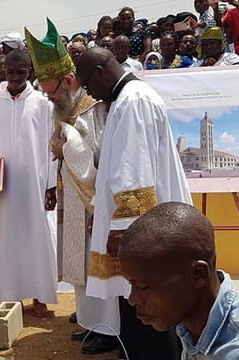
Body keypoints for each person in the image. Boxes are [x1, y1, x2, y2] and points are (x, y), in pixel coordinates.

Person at [76, 46, 192, 360]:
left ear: (100, 73)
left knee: (147, 306)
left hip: (138, 228)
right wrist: (102, 211)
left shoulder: (133, 101)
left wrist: (126, 231)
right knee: (135, 306)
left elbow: (133, 170)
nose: (90, 93)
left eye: (88, 84)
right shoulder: (128, 98)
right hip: (135, 224)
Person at [25, 21, 120, 354]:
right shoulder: (63, 103)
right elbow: (59, 144)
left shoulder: (95, 106)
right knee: (77, 261)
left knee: (98, 261)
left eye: (51, 91)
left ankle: (109, 329)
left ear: (67, 81)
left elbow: (101, 156)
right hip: (72, 193)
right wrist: (55, 180)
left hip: (94, 198)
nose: (49, 98)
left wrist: (65, 145)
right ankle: (90, 320)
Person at [0, 46, 57, 316]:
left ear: (30, 72)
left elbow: (51, 146)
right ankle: (10, 296)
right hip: (3, 185)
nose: (14, 77)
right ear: (3, 71)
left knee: (35, 237)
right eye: (10, 72)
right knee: (5, 240)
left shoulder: (41, 102)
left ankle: (39, 296)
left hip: (33, 185)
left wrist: (51, 183)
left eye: (21, 72)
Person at [119, 202, 239, 360]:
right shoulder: (190, 322)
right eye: (130, 284)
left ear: (198, 275)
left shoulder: (232, 350)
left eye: (143, 286)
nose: (132, 299)